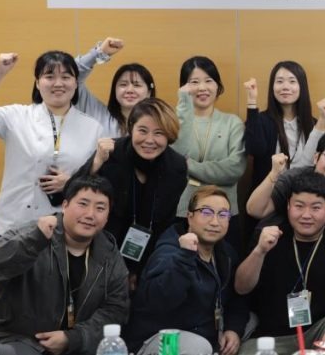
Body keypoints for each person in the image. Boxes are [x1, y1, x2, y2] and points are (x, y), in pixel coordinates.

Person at [0, 176, 129, 355]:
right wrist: (34, 241)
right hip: (10, 339)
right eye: (83, 204)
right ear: (65, 205)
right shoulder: (34, 233)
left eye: (100, 208)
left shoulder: (110, 255)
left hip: (73, 349)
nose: (90, 214)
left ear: (107, 217)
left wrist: (73, 339)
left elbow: (115, 311)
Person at [0, 51, 103, 237]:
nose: (58, 83)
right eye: (49, 76)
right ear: (37, 83)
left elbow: (98, 181)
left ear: (76, 83)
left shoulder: (93, 128)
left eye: (66, 77)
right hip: (13, 225)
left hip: (63, 227)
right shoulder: (17, 116)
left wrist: (72, 183)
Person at [235, 169, 325, 354]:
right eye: (299, 206)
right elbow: (241, 287)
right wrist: (260, 251)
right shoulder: (269, 237)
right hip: (276, 336)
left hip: (321, 333)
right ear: (288, 206)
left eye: (316, 208)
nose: (306, 215)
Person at [70, 98, 188, 277]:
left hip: (148, 252)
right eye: (142, 131)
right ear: (131, 128)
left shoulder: (176, 166)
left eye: (159, 133)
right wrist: (97, 162)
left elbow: (164, 222)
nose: (149, 140)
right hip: (99, 247)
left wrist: (139, 270)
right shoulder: (111, 152)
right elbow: (71, 192)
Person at [126, 186, 248, 355]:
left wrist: (233, 329)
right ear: (190, 217)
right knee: (198, 346)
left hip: (206, 331)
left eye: (223, 214)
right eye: (206, 212)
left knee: (251, 322)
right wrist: (185, 258)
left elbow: (237, 297)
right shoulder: (169, 252)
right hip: (160, 337)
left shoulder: (225, 253)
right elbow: (160, 302)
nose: (215, 222)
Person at [173, 56, 246, 249]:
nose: (202, 88)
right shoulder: (174, 121)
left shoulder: (232, 123)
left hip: (223, 214)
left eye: (208, 80)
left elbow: (234, 169)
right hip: (184, 212)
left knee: (225, 264)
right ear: (184, 87)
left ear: (218, 86)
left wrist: (190, 165)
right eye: (194, 82)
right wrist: (184, 106)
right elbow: (174, 163)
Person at [247, 131, 325, 240]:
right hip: (278, 240)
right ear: (316, 157)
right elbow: (255, 210)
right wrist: (274, 173)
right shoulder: (294, 178)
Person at [243, 60, 325, 192]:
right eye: (280, 81)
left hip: (303, 196)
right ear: (272, 87)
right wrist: (251, 101)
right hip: (267, 196)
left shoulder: (313, 124)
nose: (285, 87)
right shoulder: (261, 120)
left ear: (302, 87)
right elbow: (254, 149)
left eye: (292, 81)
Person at [74, 37, 156, 138]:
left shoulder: (160, 121)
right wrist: (98, 53)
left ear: (149, 92)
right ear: (115, 90)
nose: (129, 90)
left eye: (137, 85)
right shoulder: (99, 114)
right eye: (123, 84)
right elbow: (71, 77)